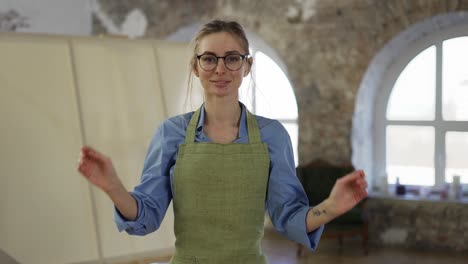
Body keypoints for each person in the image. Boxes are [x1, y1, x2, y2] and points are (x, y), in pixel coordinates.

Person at [77, 19, 368, 264]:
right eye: (209, 58)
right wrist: (113, 187)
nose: (220, 69)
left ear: (246, 66)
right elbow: (146, 218)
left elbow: (289, 218)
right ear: (196, 67)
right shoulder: (171, 133)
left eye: (232, 58)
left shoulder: (273, 135)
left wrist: (331, 206)